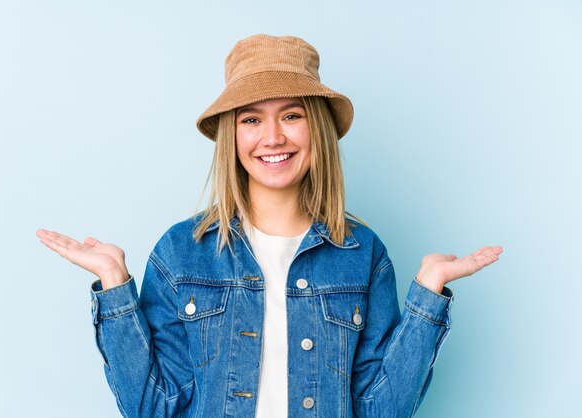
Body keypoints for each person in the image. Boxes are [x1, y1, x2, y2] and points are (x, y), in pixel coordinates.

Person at [36, 34, 503, 418]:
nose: (273, 137)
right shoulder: (183, 251)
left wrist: (428, 293)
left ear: (316, 128)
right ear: (232, 136)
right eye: (252, 119)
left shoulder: (363, 254)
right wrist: (115, 285)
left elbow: (382, 410)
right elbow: (153, 408)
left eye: (292, 115)